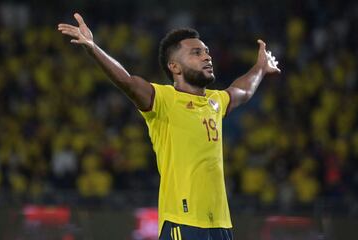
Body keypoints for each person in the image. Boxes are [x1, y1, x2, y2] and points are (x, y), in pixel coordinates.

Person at [58, 13, 280, 240]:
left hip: (221, 224)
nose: (207, 57)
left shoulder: (215, 101)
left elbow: (242, 90)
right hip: (182, 223)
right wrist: (93, 48)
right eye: (196, 52)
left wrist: (261, 67)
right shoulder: (163, 99)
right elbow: (128, 82)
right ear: (174, 66)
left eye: (206, 51)